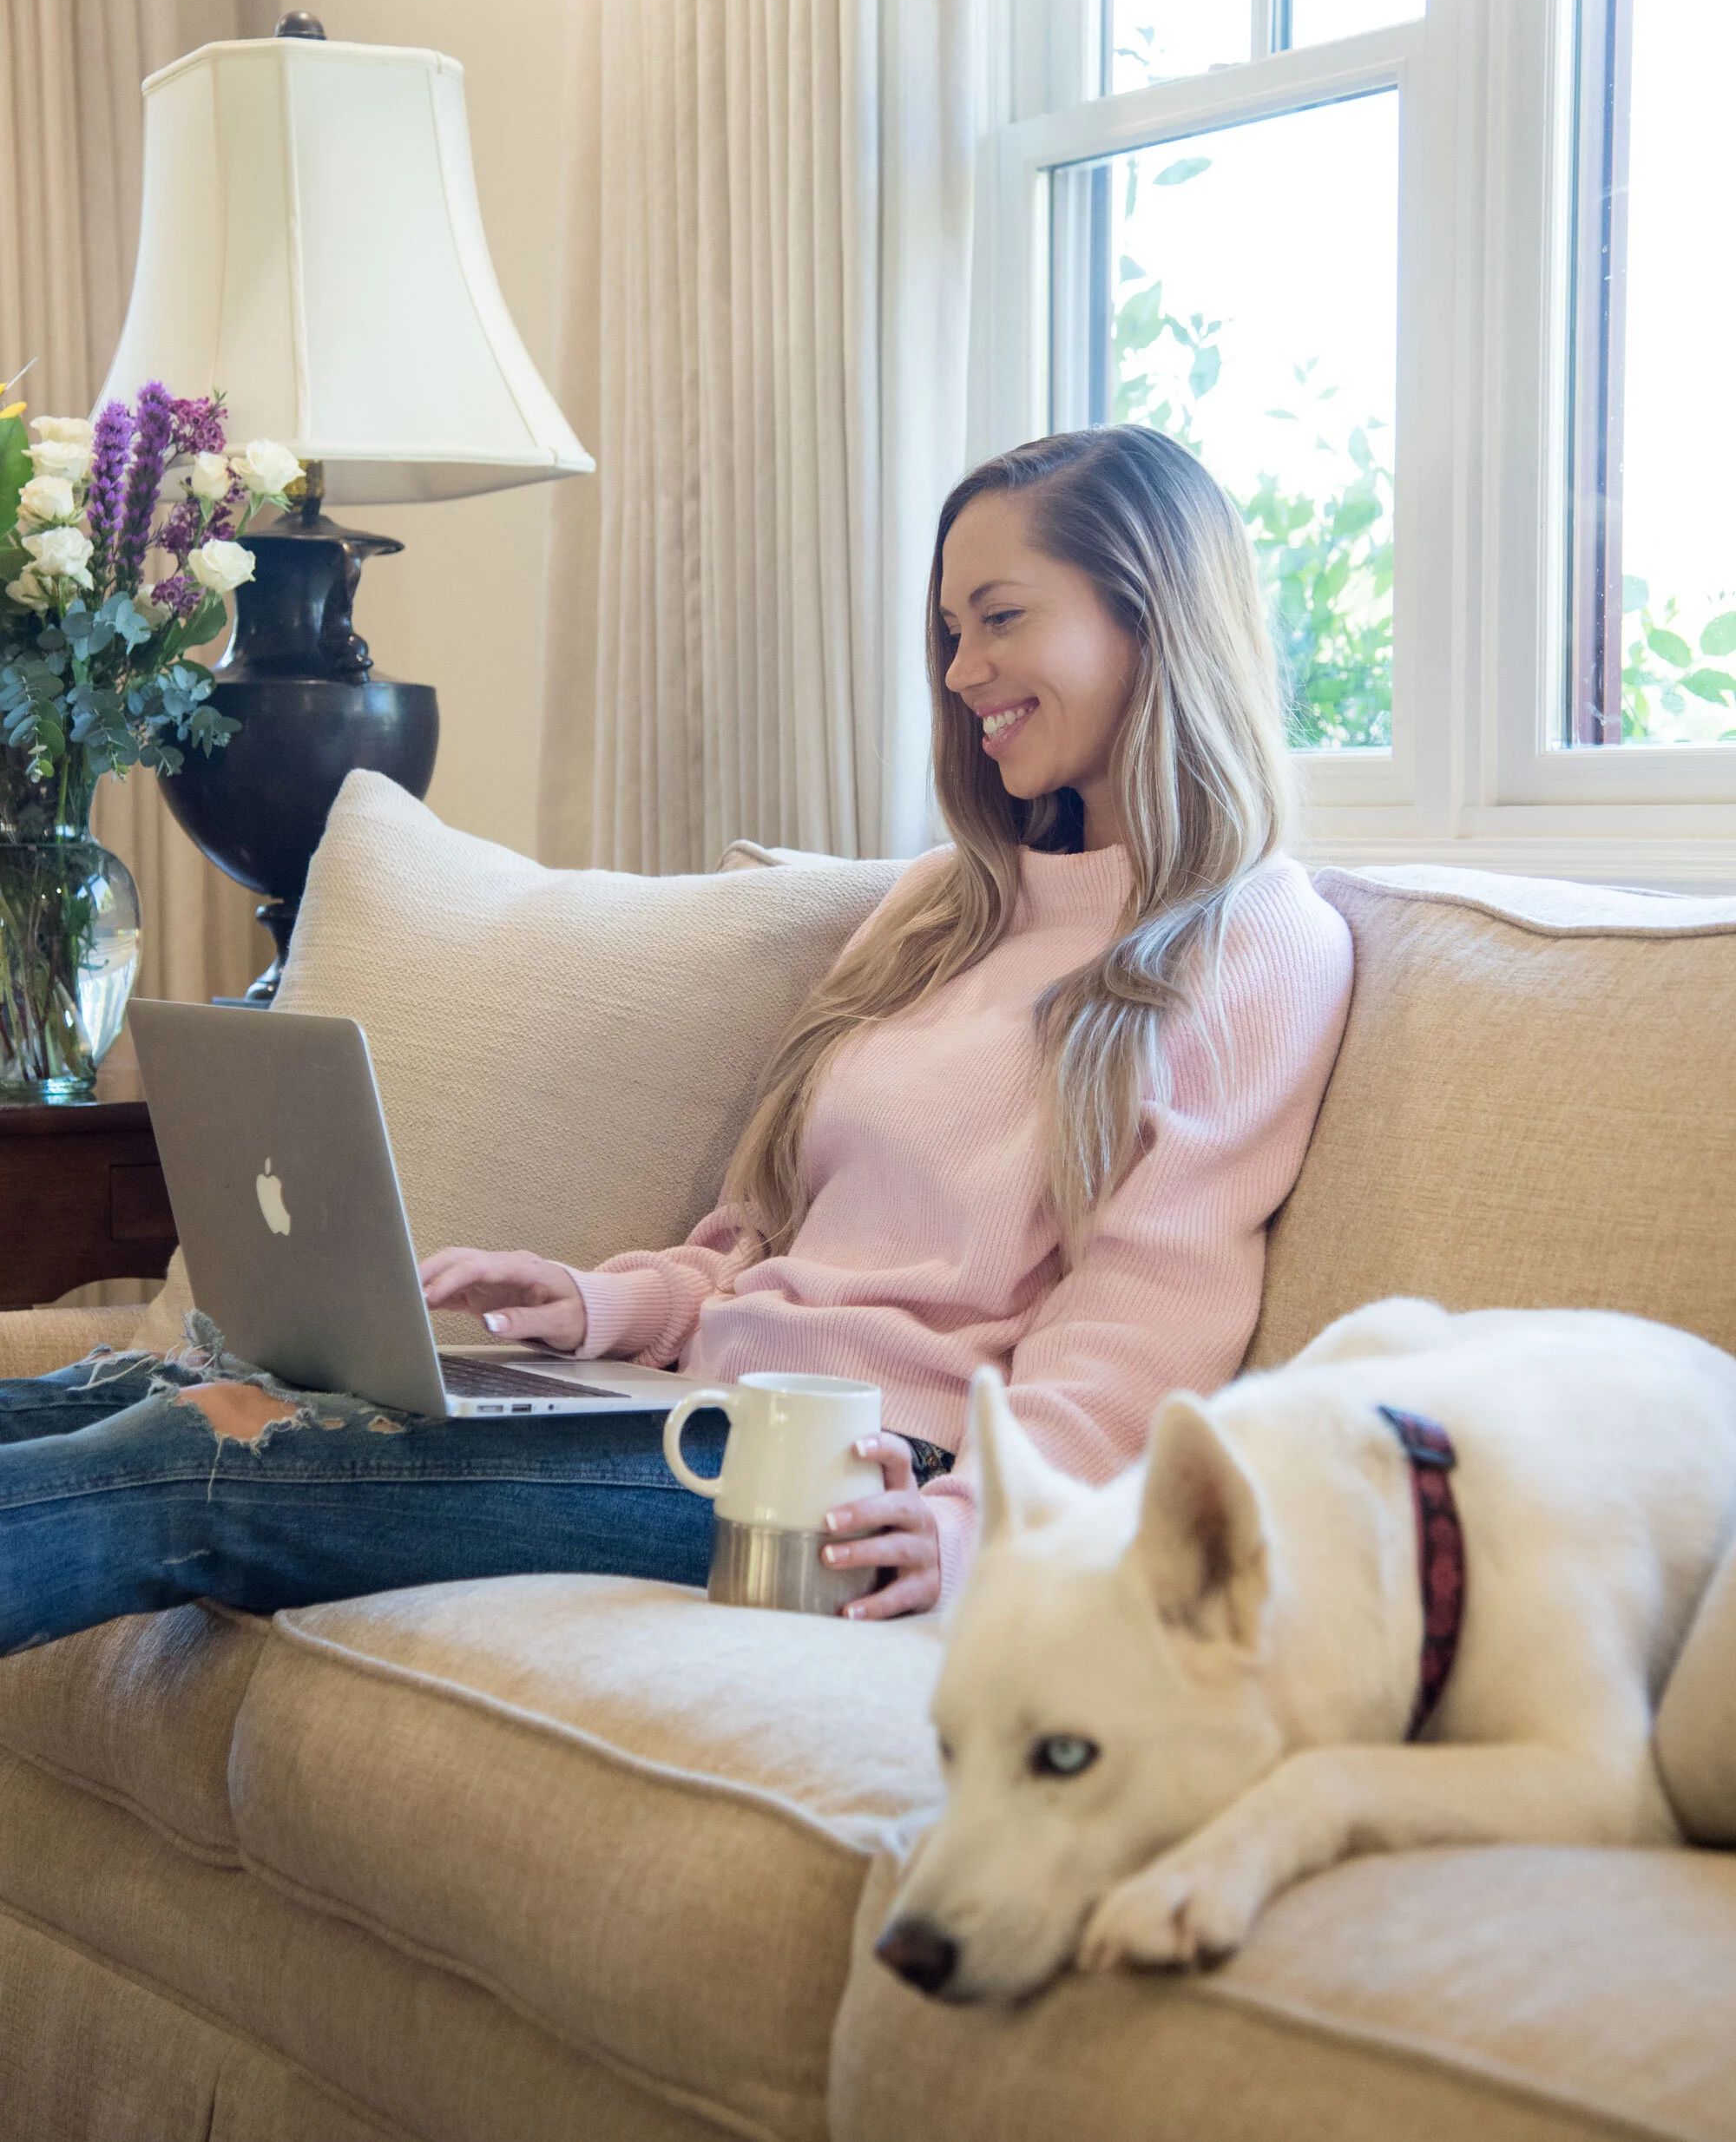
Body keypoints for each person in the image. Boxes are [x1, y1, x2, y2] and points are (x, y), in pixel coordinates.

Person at [0, 427, 1351, 1654]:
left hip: (868, 1468)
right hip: (695, 1407)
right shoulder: (946, 906)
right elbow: (763, 1242)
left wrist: (980, 1518)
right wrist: (602, 1303)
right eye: (949, 630)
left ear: (1150, 615)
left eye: (1000, 619)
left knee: (204, 1458)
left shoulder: (1253, 939)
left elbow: (1140, 1329)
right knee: (144, 1385)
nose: (959, 672)